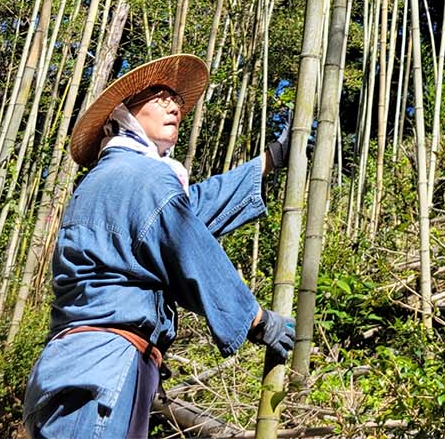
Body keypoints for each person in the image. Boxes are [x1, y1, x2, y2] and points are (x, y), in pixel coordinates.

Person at [22, 52, 296, 439]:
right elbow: (190, 246)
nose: (175, 107)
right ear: (123, 112)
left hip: (81, 369)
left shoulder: (120, 175)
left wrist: (269, 161)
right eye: (160, 97)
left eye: (177, 100)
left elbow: (190, 213)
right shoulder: (141, 175)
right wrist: (257, 320)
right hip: (102, 371)